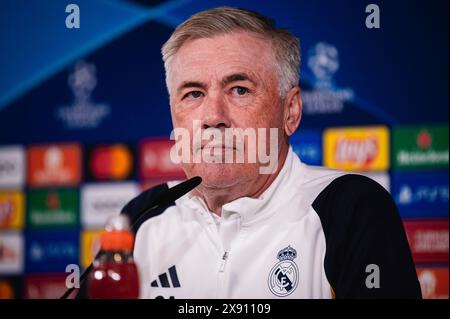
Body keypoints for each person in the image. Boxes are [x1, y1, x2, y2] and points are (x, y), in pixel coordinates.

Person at [127, 7, 421, 299]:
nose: (213, 116)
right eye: (194, 94)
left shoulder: (349, 208)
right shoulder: (143, 217)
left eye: (239, 90)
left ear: (290, 111)